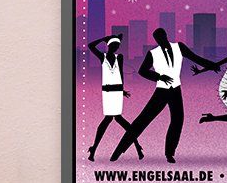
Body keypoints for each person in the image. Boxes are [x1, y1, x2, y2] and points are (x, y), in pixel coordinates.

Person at [109, 27, 218, 163]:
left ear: (165, 35)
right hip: (161, 91)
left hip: (175, 90)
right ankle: (117, 152)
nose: (159, 40)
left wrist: (212, 65)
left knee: (177, 120)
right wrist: (159, 77)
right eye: (157, 39)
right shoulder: (153, 53)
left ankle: (169, 153)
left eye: (161, 37)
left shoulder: (179, 47)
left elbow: (195, 58)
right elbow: (142, 71)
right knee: (142, 120)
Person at [85, 34, 141, 162]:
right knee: (113, 119)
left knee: (112, 119)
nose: (116, 47)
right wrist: (103, 39)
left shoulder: (119, 57)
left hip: (116, 92)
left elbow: (121, 75)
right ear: (109, 45)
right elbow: (90, 46)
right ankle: (137, 145)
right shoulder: (102, 57)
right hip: (107, 92)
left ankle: (93, 149)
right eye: (114, 45)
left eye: (117, 46)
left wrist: (122, 90)